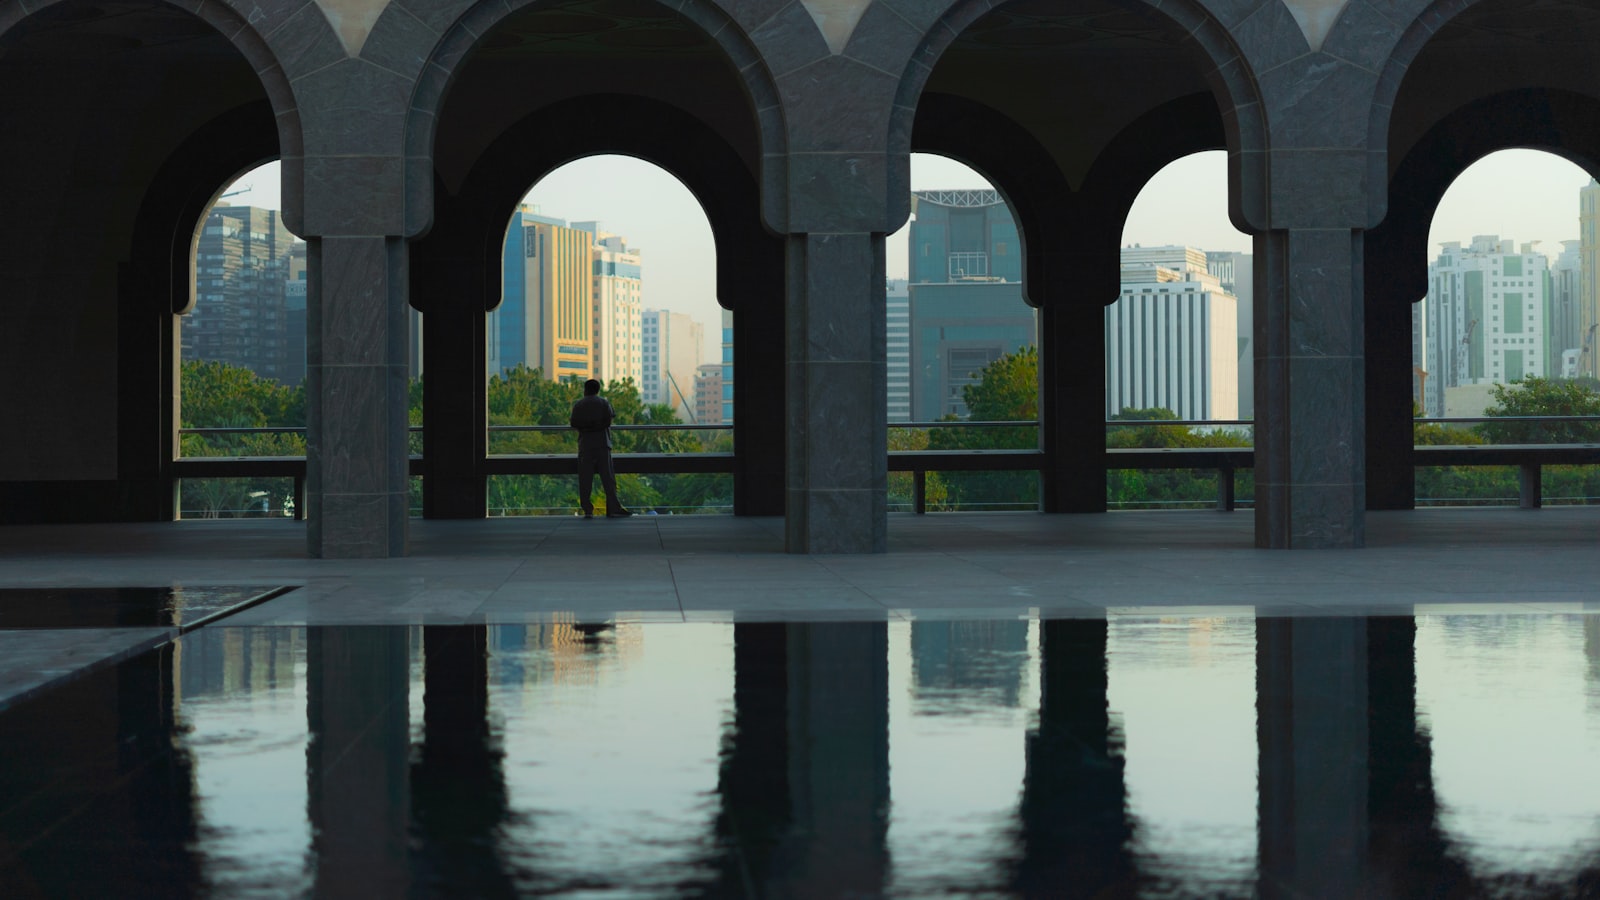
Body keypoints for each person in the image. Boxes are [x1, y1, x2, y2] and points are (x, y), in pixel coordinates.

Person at [570, 379, 632, 519]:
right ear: (597, 390)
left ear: (585, 389)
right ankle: (613, 507)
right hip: (603, 444)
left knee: (585, 479)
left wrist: (586, 428)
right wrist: (596, 427)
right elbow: (608, 421)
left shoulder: (579, 404)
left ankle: (587, 509)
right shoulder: (604, 403)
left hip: (585, 445)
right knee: (608, 478)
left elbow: (574, 422)